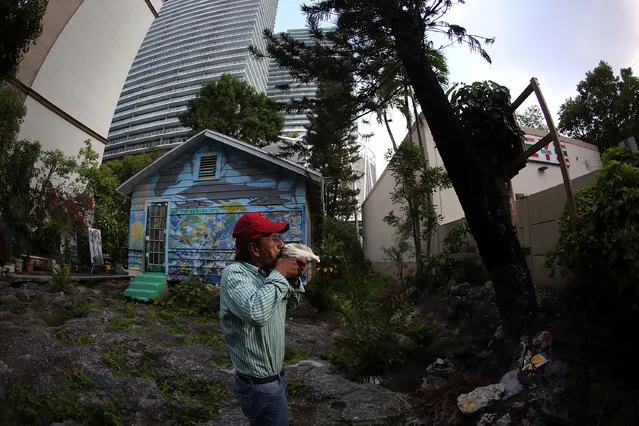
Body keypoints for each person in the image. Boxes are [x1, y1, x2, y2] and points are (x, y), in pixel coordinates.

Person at [220, 212, 307, 425]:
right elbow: (255, 313)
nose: (282, 244)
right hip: (259, 385)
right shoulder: (235, 274)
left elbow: (291, 306)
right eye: (275, 239)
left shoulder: (267, 275)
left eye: (280, 238)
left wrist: (294, 280)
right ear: (254, 249)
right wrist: (280, 274)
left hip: (276, 378)